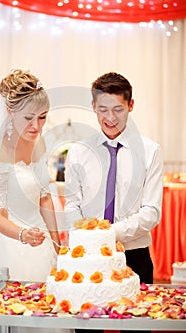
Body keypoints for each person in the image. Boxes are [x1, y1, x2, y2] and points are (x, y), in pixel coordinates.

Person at [0, 69, 74, 333]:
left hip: (40, 244)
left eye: (42, 118)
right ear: (9, 111)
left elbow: (45, 197)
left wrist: (57, 242)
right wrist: (23, 235)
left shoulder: (38, 142)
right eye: (29, 118)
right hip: (6, 245)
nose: (37, 126)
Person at [64, 72, 163, 333]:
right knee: (86, 330)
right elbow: (71, 204)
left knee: (137, 329)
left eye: (118, 109)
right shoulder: (78, 151)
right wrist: (88, 236)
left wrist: (106, 233)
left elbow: (151, 212)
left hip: (135, 256)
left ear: (131, 105)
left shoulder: (151, 151)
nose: (110, 118)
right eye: (103, 109)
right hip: (87, 260)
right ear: (93, 106)